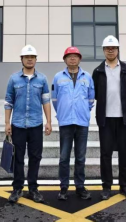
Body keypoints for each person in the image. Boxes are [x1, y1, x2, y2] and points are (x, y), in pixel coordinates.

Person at [92, 36, 126, 202]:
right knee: (105, 153)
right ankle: (106, 187)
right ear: (103, 51)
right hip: (105, 119)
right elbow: (95, 92)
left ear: (118, 50)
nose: (110, 51)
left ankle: (125, 186)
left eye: (113, 48)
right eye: (107, 48)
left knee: (125, 153)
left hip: (124, 118)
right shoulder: (98, 71)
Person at [4, 45, 52, 204]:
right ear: (22, 59)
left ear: (36, 59)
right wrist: (7, 123)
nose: (30, 59)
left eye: (32, 57)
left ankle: (33, 189)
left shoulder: (42, 79)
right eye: (27, 57)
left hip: (36, 125)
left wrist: (49, 121)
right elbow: (8, 101)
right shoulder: (14, 79)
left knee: (35, 157)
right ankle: (17, 188)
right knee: (18, 157)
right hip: (18, 125)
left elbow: (46, 101)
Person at [52, 47, 95, 201]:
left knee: (80, 157)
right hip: (65, 122)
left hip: (82, 122)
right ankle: (63, 187)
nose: (72, 58)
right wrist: (63, 112)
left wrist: (83, 111)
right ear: (65, 59)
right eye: (69, 56)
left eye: (75, 56)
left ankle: (80, 187)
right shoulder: (58, 77)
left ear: (79, 59)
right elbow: (55, 100)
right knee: (64, 157)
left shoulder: (87, 77)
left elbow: (91, 99)